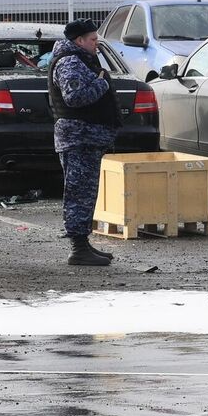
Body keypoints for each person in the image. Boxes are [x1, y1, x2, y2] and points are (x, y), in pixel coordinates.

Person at [49, 18, 119, 267]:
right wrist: (101, 82)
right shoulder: (69, 62)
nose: (96, 43)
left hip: (86, 139)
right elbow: (75, 97)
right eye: (92, 39)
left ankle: (83, 244)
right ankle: (78, 248)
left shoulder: (80, 59)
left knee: (86, 193)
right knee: (78, 193)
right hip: (78, 139)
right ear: (79, 41)